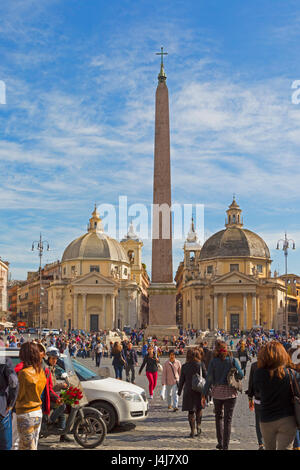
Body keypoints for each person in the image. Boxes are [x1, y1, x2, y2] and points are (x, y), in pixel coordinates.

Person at [253, 340, 299, 450]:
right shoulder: (291, 374)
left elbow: (257, 391)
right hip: (287, 419)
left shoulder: (258, 373)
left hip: (266, 419)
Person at [202, 341, 244, 450]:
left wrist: (203, 395)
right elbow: (241, 374)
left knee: (218, 417)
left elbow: (209, 379)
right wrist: (234, 372)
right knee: (228, 420)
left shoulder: (213, 362)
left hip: (217, 393)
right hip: (230, 393)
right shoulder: (232, 360)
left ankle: (220, 442)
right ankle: (226, 446)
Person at [15, 342, 47, 450]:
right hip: (37, 411)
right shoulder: (40, 371)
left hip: (25, 412)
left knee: (27, 446)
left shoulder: (24, 373)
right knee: (28, 445)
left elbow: (19, 395)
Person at [178, 348, 206, 437]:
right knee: (199, 409)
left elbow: (181, 380)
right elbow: (206, 376)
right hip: (199, 391)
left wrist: (179, 391)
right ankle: (199, 425)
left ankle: (192, 431)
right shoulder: (201, 365)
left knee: (190, 412)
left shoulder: (185, 366)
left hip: (188, 391)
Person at [0, 343, 19, 450]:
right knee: (5, 445)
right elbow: (14, 382)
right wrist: (11, 404)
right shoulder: (5, 360)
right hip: (2, 408)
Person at [246, 360, 264, 450]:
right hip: (272, 400)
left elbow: (251, 383)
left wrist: (250, 398)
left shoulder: (254, 365)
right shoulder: (275, 364)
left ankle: (261, 443)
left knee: (259, 422)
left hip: (258, 399)